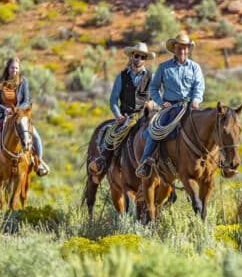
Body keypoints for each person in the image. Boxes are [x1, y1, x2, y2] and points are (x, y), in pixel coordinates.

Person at [135, 32, 205, 179]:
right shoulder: (163, 67)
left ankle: (208, 164)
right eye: (180, 48)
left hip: (190, 107)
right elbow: (153, 88)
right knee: (156, 131)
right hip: (170, 107)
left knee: (205, 129)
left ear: (188, 49)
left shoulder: (195, 68)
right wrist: (161, 102)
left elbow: (199, 87)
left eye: (185, 48)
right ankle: (145, 163)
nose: (183, 51)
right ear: (174, 49)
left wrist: (196, 100)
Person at [88, 42, 155, 176]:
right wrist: (118, 116)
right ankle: (103, 162)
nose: (139, 60)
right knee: (114, 135)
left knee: (160, 136)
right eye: (137, 56)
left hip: (145, 116)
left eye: (143, 57)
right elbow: (113, 101)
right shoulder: (121, 77)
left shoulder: (151, 77)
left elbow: (156, 97)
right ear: (131, 56)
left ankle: (166, 175)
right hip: (127, 117)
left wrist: (152, 104)